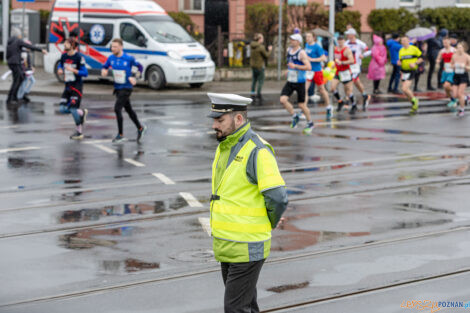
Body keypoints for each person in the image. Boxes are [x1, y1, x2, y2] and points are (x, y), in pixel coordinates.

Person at [207, 92, 287, 313]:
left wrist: (267, 222)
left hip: (247, 246)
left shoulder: (257, 151)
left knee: (235, 308)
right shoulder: (225, 146)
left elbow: (278, 196)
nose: (214, 125)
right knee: (246, 306)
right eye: (214, 119)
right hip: (228, 244)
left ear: (239, 119)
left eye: (220, 120)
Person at [102, 38, 147, 143]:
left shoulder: (129, 58)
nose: (113, 48)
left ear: (121, 47)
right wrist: (104, 71)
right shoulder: (111, 58)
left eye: (115, 47)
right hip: (117, 88)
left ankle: (120, 135)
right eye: (112, 46)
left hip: (126, 88)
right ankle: (140, 128)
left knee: (117, 109)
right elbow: (104, 67)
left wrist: (135, 77)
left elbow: (140, 67)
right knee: (128, 109)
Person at [280, 34, 313, 134]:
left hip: (300, 82)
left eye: (293, 40)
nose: (291, 41)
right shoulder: (289, 50)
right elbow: (290, 64)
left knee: (301, 105)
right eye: (290, 39)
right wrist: (288, 70)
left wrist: (295, 66)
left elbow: (309, 67)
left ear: (298, 42)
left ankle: (310, 123)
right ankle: (295, 116)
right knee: (283, 100)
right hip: (290, 81)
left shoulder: (301, 53)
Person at [57, 38, 89, 140]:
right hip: (67, 86)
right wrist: (60, 69)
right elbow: (60, 64)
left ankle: (79, 132)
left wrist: (73, 70)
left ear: (73, 45)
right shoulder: (64, 56)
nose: (64, 45)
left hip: (77, 86)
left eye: (66, 44)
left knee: (72, 108)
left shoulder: (79, 57)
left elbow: (85, 73)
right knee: (62, 109)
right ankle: (82, 112)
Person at [6, 27, 47, 105]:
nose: (21, 36)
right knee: (17, 80)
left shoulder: (10, 42)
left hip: (11, 62)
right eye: (20, 34)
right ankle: (11, 98)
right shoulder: (18, 41)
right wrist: (41, 50)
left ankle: (14, 97)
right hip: (15, 63)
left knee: (20, 78)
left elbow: (15, 52)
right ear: (18, 35)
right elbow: (29, 46)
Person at [303, 32, 331, 117]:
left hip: (317, 71)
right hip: (309, 71)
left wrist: (312, 59)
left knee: (321, 90)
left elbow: (324, 58)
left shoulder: (317, 47)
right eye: (306, 37)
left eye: (309, 37)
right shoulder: (306, 45)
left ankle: (328, 106)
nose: (307, 38)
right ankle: (303, 110)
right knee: (304, 90)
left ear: (313, 38)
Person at [345, 28, 371, 110]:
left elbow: (369, 50)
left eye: (348, 34)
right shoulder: (346, 43)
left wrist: (363, 55)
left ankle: (349, 99)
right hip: (348, 65)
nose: (347, 35)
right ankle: (365, 95)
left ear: (353, 35)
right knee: (357, 82)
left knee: (350, 81)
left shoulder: (360, 43)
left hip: (356, 66)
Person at [398, 36, 423, 114]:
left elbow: (422, 58)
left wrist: (415, 63)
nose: (403, 42)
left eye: (405, 40)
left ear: (408, 41)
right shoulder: (401, 50)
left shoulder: (414, 49)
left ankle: (415, 100)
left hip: (411, 71)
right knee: (405, 90)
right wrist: (399, 63)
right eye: (402, 41)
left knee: (405, 88)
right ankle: (413, 105)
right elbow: (401, 60)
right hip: (403, 71)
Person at [331, 35, 356, 114]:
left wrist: (342, 63)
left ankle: (354, 105)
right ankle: (340, 101)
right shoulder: (335, 49)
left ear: (344, 41)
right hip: (338, 72)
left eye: (341, 41)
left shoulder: (347, 50)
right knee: (332, 88)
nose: (340, 42)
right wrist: (334, 64)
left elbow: (352, 61)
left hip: (346, 72)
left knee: (348, 92)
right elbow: (336, 59)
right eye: (339, 40)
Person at [250, 33, 272, 104]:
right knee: (260, 81)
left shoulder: (252, 46)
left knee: (254, 81)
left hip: (253, 66)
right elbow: (266, 55)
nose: (263, 39)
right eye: (262, 38)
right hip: (260, 67)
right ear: (259, 39)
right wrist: (270, 50)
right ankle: (259, 95)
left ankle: (252, 94)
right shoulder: (261, 47)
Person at [435, 37, 456, 109]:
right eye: (443, 43)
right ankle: (453, 100)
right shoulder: (442, 51)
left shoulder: (454, 50)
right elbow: (438, 58)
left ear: (449, 42)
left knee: (446, 85)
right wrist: (437, 62)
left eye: (446, 42)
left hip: (452, 70)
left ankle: (459, 95)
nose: (445, 44)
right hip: (445, 70)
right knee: (445, 88)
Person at [450, 42, 470, 117]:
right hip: (456, 75)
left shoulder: (467, 56)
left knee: (460, 93)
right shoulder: (454, 56)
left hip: (463, 76)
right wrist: (454, 66)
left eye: (460, 47)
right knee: (455, 95)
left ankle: (461, 109)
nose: (459, 49)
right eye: (458, 48)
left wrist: (464, 66)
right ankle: (466, 97)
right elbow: (451, 64)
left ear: (464, 48)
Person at [426, 26, 442, 91]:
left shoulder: (431, 38)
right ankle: (429, 85)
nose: (436, 32)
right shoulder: (431, 38)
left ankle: (429, 85)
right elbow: (439, 45)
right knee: (431, 70)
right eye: (435, 31)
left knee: (431, 70)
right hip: (432, 55)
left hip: (431, 54)